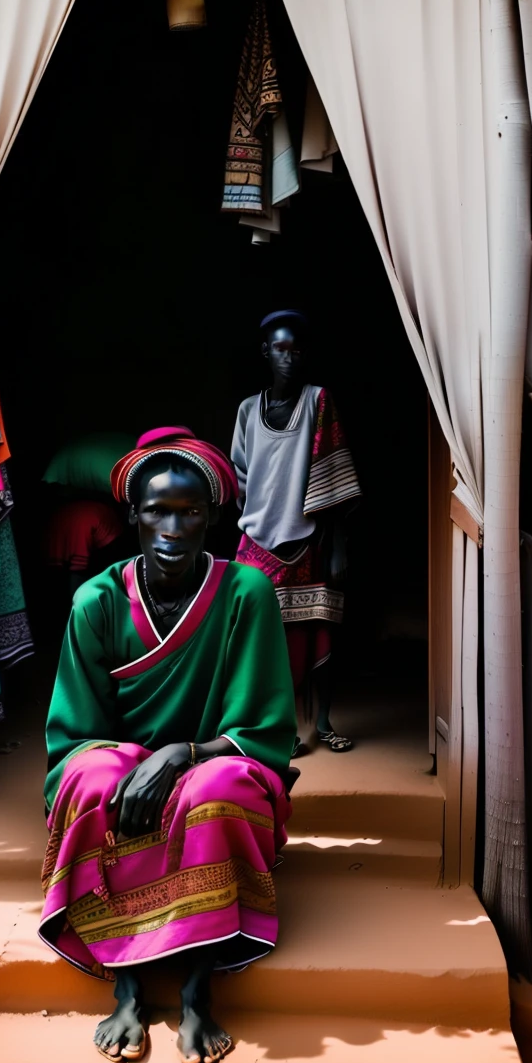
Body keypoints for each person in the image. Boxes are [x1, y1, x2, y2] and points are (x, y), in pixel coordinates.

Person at [40, 427, 297, 1063]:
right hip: (126, 772)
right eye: (158, 510)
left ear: (213, 518)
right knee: (97, 781)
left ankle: (195, 991)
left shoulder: (247, 593)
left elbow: (263, 736)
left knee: (220, 790)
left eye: (190, 513)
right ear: (132, 515)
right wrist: (136, 764)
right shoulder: (95, 603)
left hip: (212, 763)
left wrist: (181, 752)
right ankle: (126, 986)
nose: (173, 528)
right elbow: (74, 739)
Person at [232, 311, 361, 755]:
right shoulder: (249, 409)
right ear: (266, 352)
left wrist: (339, 543)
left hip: (310, 538)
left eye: (297, 349)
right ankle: (277, 726)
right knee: (262, 642)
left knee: (320, 630)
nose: (290, 357)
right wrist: (254, 516)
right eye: (281, 349)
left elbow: (335, 467)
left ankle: (323, 723)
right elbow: (241, 475)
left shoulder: (318, 401)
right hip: (257, 542)